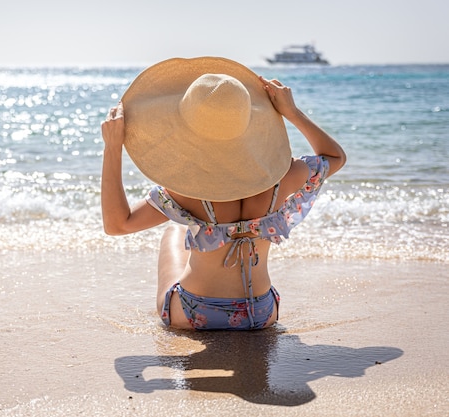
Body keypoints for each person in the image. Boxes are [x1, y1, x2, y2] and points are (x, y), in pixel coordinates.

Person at [101, 57, 346, 330]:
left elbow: (117, 224)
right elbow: (334, 157)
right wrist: (291, 112)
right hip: (262, 313)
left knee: (175, 230)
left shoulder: (185, 191)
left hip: (195, 314)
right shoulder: (282, 177)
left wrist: (113, 147)